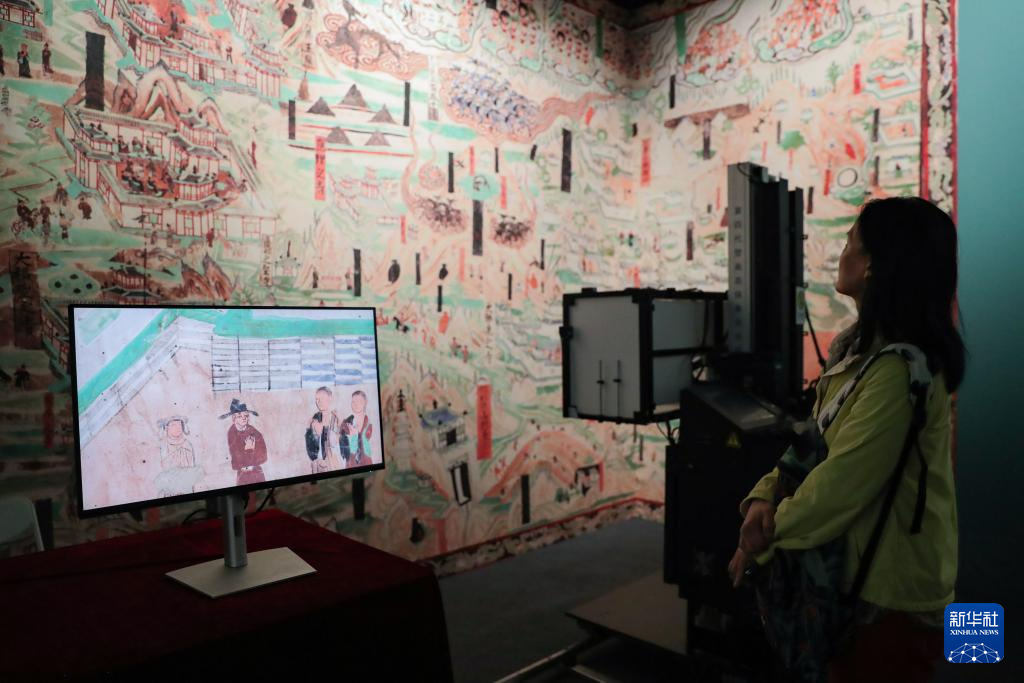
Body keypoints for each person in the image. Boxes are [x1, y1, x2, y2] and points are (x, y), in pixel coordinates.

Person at [728, 197, 964, 682]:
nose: (842, 253)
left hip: (888, 593)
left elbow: (838, 486)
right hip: (855, 578)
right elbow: (812, 443)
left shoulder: (898, 372)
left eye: (850, 242)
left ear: (873, 264)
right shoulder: (856, 353)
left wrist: (760, 540)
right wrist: (764, 495)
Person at [220, 399, 268, 485]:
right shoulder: (232, 433)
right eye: (239, 416)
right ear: (234, 419)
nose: (244, 418)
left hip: (257, 473)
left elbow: (263, 457)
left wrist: (248, 453)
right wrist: (249, 450)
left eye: (246, 415)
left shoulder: (254, 432)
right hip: (243, 476)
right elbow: (236, 462)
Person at [153, 416, 204, 497]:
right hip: (170, 488)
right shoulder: (163, 446)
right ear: (166, 428)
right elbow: (164, 469)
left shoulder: (188, 445)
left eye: (180, 425)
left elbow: (191, 469)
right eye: (173, 425)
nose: (178, 428)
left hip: (186, 486)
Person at [305, 387, 342, 474]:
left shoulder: (336, 418)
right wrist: (315, 435)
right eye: (317, 399)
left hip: (332, 463)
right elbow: (310, 449)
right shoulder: (314, 418)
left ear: (330, 398)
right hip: (317, 464)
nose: (319, 402)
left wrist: (323, 432)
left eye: (322, 398)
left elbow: (338, 444)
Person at [341, 390, 374, 467]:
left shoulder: (369, 423)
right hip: (351, 463)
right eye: (353, 402)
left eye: (359, 401)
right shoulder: (346, 423)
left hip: (366, 461)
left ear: (365, 402)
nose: (356, 404)